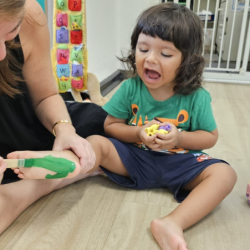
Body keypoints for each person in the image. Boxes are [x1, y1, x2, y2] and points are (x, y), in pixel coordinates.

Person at [2, 3, 237, 250]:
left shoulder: (196, 97)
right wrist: (137, 133)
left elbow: (209, 137)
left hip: (179, 162)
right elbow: (110, 126)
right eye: (143, 49)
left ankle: (172, 223)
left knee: (225, 174)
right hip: (135, 158)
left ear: (187, 61)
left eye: (165, 54)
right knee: (97, 143)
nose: (150, 59)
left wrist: (179, 139)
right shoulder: (130, 88)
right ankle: (58, 162)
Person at [0, 0, 107, 233]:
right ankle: (48, 182)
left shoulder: (30, 15)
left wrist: (65, 129)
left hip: (27, 125)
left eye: (10, 32)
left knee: (103, 124)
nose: (1, 54)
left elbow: (45, 96)